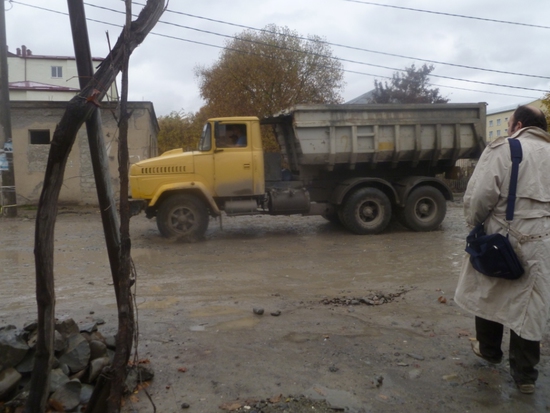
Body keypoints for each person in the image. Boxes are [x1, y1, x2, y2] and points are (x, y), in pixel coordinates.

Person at [455, 105, 550, 394]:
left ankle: (489, 351)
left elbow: (478, 197)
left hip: (503, 236)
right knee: (531, 307)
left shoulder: (505, 149)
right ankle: (524, 376)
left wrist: (475, 226)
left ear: (517, 124)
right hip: (543, 241)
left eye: (508, 123)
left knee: (489, 287)